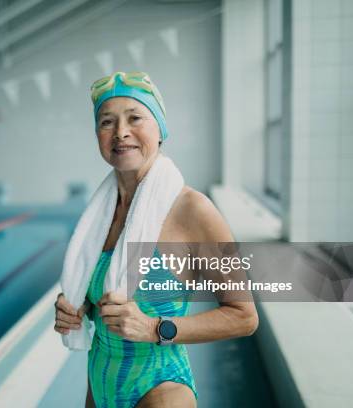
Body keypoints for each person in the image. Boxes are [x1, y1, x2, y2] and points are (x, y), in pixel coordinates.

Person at [54, 71, 258, 408]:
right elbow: (105, 299)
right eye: (107, 122)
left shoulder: (193, 210)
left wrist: (154, 328)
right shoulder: (99, 215)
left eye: (135, 118)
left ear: (160, 129)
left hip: (160, 388)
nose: (121, 132)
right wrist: (78, 308)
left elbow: (244, 316)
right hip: (100, 385)